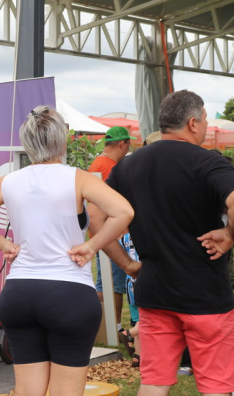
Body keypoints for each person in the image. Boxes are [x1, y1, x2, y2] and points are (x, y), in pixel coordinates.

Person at [0, 105, 134, 396]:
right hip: (69, 294)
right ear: (62, 140)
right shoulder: (78, 178)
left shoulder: (10, 180)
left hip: (20, 293)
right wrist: (90, 246)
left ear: (27, 143)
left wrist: (4, 245)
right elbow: (123, 211)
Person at [101, 90, 234, 396]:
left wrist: (127, 264)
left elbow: (94, 217)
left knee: (154, 381)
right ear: (193, 123)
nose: (207, 125)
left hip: (155, 291)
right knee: (216, 385)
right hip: (206, 294)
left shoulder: (127, 166)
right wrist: (230, 235)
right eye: (206, 119)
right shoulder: (209, 162)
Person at [89, 126, 135, 337]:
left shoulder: (99, 163)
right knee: (115, 283)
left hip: (101, 233)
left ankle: (102, 327)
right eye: (128, 144)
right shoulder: (109, 167)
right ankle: (114, 328)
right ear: (122, 143)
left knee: (104, 282)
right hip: (111, 234)